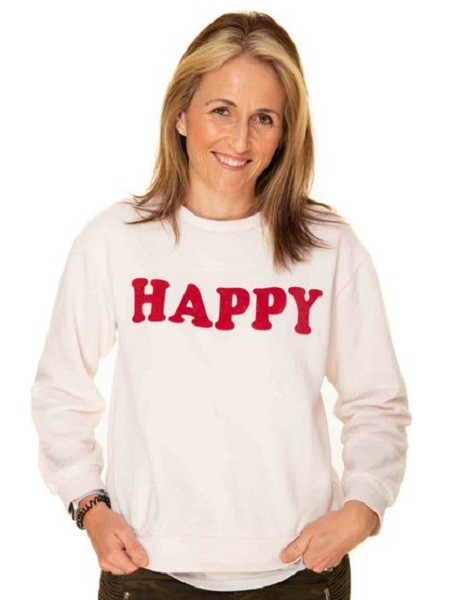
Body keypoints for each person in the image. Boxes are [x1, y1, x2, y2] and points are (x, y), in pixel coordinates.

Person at [30, 10, 412, 600]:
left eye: (265, 118)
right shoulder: (116, 240)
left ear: (286, 133)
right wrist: (89, 504)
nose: (239, 141)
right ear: (181, 114)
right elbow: (60, 390)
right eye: (221, 111)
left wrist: (363, 508)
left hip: (301, 572)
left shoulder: (328, 247)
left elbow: (376, 402)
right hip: (147, 570)